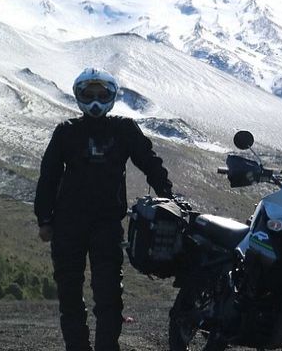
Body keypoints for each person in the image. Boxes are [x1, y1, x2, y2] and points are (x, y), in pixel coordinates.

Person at [35, 68, 173, 351]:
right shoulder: (65, 132)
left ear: (111, 97)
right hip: (68, 226)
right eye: (89, 94)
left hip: (106, 225)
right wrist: (44, 219)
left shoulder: (124, 129)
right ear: (79, 97)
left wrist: (167, 194)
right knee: (70, 296)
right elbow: (48, 176)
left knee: (109, 296)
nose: (95, 101)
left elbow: (149, 162)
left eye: (102, 95)